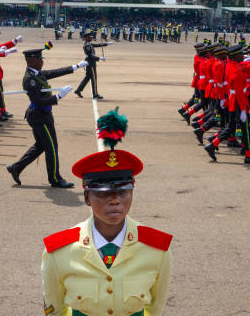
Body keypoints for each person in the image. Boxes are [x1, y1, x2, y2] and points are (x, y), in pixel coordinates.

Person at [41, 109, 173, 316]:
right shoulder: (59, 251)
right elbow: (55, 310)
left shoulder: (156, 249)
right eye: (103, 193)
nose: (115, 199)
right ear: (87, 198)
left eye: (123, 191)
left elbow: (155, 308)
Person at [6, 45, 88, 188]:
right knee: (51, 147)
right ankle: (55, 179)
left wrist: (75, 67)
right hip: (39, 117)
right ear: (31, 61)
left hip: (42, 115)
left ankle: (16, 167)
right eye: (39, 59)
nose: (41, 62)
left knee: (40, 146)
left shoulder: (37, 73)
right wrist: (58, 96)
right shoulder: (30, 79)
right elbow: (37, 100)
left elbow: (53, 72)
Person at [74, 32, 110, 99]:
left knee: (87, 78)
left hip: (90, 63)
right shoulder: (87, 46)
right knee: (94, 79)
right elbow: (90, 56)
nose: (91, 38)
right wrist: (99, 58)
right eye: (90, 37)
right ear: (86, 38)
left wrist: (106, 44)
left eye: (91, 37)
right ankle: (95, 94)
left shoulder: (89, 44)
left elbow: (97, 45)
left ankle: (78, 90)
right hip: (90, 64)